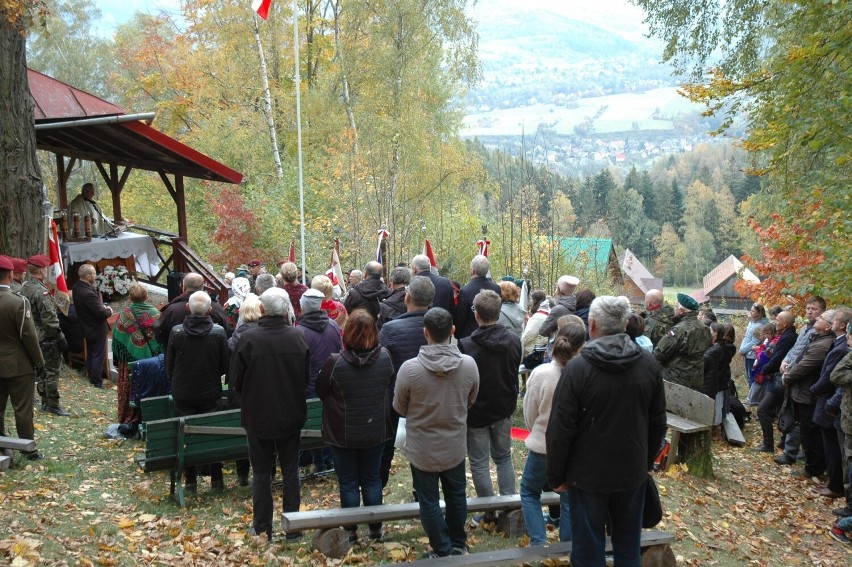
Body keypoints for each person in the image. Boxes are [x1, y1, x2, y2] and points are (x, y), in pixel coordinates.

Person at [547, 295, 667, 565]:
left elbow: (560, 429)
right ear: (625, 324)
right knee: (627, 545)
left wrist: (556, 475)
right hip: (628, 470)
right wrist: (645, 462)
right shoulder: (648, 364)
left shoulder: (578, 369)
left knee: (589, 549)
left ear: (591, 325)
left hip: (589, 475)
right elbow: (658, 421)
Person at [393, 307, 479, 558]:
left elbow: (399, 406)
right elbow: (470, 399)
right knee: (456, 495)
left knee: (428, 500)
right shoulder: (469, 365)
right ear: (452, 331)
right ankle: (456, 543)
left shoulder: (410, 369)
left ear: (425, 333)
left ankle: (443, 549)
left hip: (423, 448)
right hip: (453, 445)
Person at [231, 288, 310, 541]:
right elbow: (304, 378)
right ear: (286, 309)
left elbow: (236, 382)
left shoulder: (250, 339)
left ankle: (263, 526)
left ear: (262, 309)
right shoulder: (296, 337)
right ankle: (292, 528)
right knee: (289, 471)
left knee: (263, 473)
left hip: (259, 414)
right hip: (289, 413)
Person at [315, 309, 395, 543]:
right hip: (373, 431)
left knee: (350, 481)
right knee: (371, 479)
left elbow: (321, 391)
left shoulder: (335, 362)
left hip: (344, 433)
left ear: (347, 332)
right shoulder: (384, 358)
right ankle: (375, 530)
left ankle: (351, 531)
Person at [521, 319, 586, 545]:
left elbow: (530, 411)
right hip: (572, 448)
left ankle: (539, 541)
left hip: (543, 445)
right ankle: (566, 544)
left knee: (529, 492)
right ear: (581, 347)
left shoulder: (541, 374)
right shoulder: (584, 375)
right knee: (567, 497)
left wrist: (536, 431)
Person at [458, 289, 523, 518]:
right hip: (501, 407)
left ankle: (491, 511)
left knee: (480, 462)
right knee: (502, 457)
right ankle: (506, 508)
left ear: (476, 315)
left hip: (478, 411)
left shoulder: (465, 346)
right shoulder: (513, 340)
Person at [166, 291, 229, 493]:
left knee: (186, 434)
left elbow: (170, 366)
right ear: (210, 310)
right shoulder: (218, 333)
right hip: (210, 392)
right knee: (213, 433)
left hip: (183, 392)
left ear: (187, 308)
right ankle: (217, 478)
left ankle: (191, 479)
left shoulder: (176, 332)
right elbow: (224, 365)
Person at [378, 276, 435, 488]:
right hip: (428, 395)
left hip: (396, 396)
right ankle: (421, 490)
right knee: (422, 445)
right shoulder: (439, 324)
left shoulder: (391, 329)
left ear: (407, 297)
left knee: (387, 445)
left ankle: (379, 486)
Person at [0, 256, 45, 461]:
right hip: (18, 365)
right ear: (10, 274)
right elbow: (28, 336)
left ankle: (2, 446)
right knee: (23, 409)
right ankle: (29, 449)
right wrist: (40, 362)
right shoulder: (18, 302)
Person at [782, 308, 835, 479]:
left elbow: (805, 365)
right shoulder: (816, 337)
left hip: (808, 395)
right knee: (806, 431)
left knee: (810, 433)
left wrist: (788, 376)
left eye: (821, 317)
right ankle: (813, 466)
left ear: (828, 326)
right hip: (803, 392)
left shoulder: (824, 344)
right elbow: (798, 356)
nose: (817, 317)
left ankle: (813, 468)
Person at [296, 288, 343, 474]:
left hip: (310, 386)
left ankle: (320, 462)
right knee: (329, 421)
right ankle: (327, 459)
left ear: (303, 307)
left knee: (314, 423)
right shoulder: (333, 326)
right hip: (332, 383)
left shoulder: (299, 331)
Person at [20, 255, 69, 416]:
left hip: (32, 335)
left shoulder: (25, 286)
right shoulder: (41, 292)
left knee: (41, 370)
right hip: (46, 337)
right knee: (52, 371)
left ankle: (44, 401)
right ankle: (52, 404)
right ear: (42, 270)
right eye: (46, 269)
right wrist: (60, 337)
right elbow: (49, 319)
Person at [812, 308, 851, 499]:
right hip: (828, 401)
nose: (831, 323)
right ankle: (833, 482)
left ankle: (836, 485)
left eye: (834, 320)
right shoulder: (839, 344)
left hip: (830, 402)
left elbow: (831, 377)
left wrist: (814, 391)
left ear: (842, 325)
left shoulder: (843, 348)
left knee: (833, 447)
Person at [111, 283, 161, 430]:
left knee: (129, 388)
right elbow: (160, 338)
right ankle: (148, 416)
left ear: (130, 297)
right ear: (146, 296)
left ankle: (128, 417)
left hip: (128, 362)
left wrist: (118, 358)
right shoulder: (154, 314)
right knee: (149, 387)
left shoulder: (124, 315)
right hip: (150, 362)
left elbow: (116, 338)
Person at [754, 311, 798, 453]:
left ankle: (768, 445)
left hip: (779, 380)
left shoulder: (788, 338)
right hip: (778, 377)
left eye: (777, 319)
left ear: (784, 323)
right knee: (780, 410)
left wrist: (765, 369)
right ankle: (783, 443)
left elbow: (777, 358)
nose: (775, 322)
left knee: (763, 410)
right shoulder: (786, 335)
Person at [654, 292, 712, 391]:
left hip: (675, 382)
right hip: (696, 382)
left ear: (681, 311)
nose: (674, 309)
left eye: (676, 307)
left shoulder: (679, 330)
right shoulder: (705, 329)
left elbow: (658, 353)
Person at [155, 273, 229, 347]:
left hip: (178, 353)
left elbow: (159, 336)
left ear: (184, 287)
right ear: (203, 287)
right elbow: (225, 331)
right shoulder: (216, 307)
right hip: (210, 353)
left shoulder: (172, 309)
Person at [72, 264, 114, 387]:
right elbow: (101, 313)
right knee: (97, 355)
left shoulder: (77, 287)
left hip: (86, 326)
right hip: (95, 328)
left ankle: (90, 375)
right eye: (94, 273)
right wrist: (109, 310)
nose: (96, 275)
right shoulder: (88, 293)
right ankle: (96, 381)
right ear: (88, 276)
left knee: (91, 353)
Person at [453, 255, 500, 340]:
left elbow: (460, 318)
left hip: (470, 338)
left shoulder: (465, 291)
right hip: (492, 336)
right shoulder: (496, 288)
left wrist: (458, 334)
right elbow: (497, 315)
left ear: (472, 270)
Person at [741, 303, 769, 405]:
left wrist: (742, 350)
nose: (751, 312)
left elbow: (755, 341)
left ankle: (753, 399)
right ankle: (750, 397)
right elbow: (747, 337)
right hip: (748, 353)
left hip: (753, 354)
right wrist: (743, 350)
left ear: (759, 313)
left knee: (752, 376)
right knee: (749, 376)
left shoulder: (761, 325)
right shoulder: (752, 323)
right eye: (751, 310)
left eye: (753, 311)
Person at [537, 275, 580, 340]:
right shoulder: (578, 304)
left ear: (560, 290)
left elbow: (542, 331)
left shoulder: (558, 309)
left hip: (558, 346)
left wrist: (553, 332)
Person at [522, 291, 550, 356]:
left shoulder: (539, 316)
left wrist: (521, 344)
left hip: (532, 351)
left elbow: (529, 334)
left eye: (532, 299)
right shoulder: (546, 312)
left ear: (535, 300)